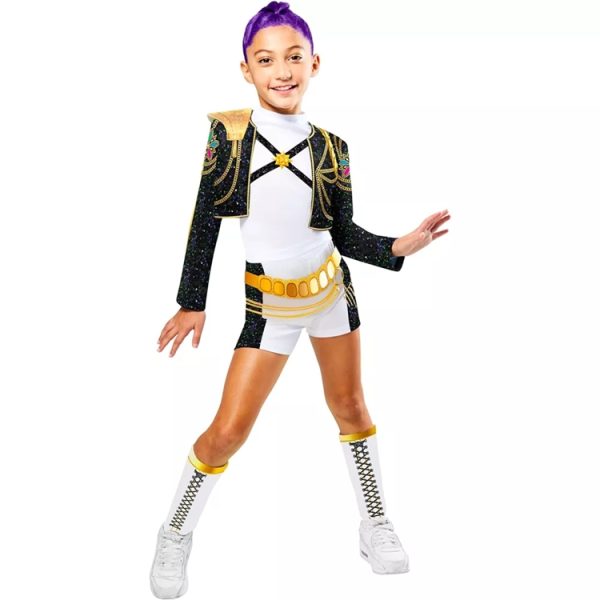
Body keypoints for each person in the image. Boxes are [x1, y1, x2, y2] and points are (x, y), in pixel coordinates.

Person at [150, 2, 450, 597]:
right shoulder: (231, 134)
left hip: (333, 294)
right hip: (269, 309)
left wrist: (398, 246)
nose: (281, 71)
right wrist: (192, 300)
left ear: (314, 63)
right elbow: (206, 219)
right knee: (229, 430)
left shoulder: (333, 147)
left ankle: (374, 522)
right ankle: (175, 530)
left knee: (352, 408)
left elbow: (343, 234)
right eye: (266, 61)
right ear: (246, 70)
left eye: (293, 57)